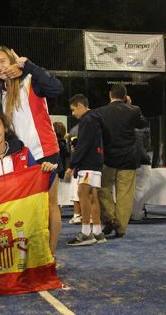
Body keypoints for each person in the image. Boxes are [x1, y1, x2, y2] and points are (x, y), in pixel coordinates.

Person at [0, 46, 64, 253]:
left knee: (50, 205)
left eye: (3, 61)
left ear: (13, 60)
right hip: (19, 159)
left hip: (44, 153)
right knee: (25, 209)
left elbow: (57, 88)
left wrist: (28, 66)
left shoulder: (32, 80)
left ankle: (50, 256)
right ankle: (30, 254)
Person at [95, 84, 147, 238]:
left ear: (110, 95)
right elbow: (143, 124)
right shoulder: (134, 110)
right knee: (125, 194)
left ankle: (110, 218)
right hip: (128, 159)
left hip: (107, 159)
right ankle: (121, 228)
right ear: (125, 96)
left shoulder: (100, 112)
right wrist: (129, 105)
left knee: (103, 189)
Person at [65, 94, 106, 246]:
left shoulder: (87, 120)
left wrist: (71, 165)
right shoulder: (95, 119)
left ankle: (86, 233)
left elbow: (82, 145)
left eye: (73, 109)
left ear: (80, 106)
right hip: (96, 163)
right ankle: (97, 232)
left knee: (83, 194)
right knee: (92, 196)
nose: (73, 113)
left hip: (88, 164)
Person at [128, 95, 152, 222]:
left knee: (127, 190)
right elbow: (146, 147)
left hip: (131, 163)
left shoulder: (124, 130)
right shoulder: (142, 130)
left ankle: (131, 214)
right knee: (139, 190)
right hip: (142, 162)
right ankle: (136, 214)